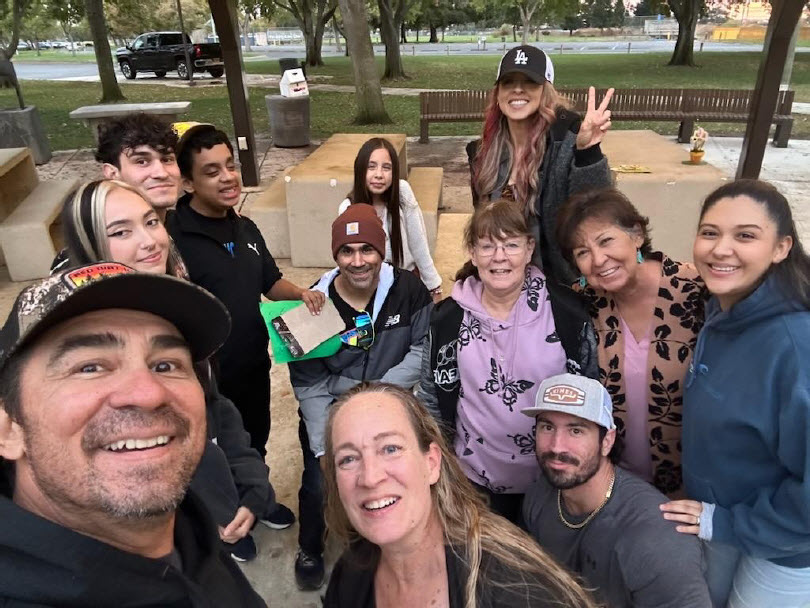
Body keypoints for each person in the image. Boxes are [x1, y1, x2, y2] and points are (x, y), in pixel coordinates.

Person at [0, 262, 266, 607]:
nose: (148, 393)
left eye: (165, 365)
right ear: (8, 428)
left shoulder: (190, 531)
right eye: (89, 367)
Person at [60, 179, 294, 561]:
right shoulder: (68, 348)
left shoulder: (175, 311)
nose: (150, 241)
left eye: (151, 222)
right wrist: (202, 519)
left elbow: (212, 406)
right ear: (89, 245)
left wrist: (250, 485)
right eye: (121, 232)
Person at [661, 179, 810, 607]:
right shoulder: (723, 311)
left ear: (781, 247)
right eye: (710, 233)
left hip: (783, 547)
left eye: (745, 236)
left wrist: (728, 523)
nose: (721, 249)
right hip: (724, 524)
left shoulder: (795, 345)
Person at [323, 382, 597, 608]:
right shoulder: (350, 574)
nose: (370, 478)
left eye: (390, 448)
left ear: (431, 463)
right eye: (348, 459)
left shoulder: (518, 589)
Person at [418, 199, 596, 523]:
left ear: (529, 249)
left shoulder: (567, 314)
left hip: (554, 480)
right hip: (474, 483)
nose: (499, 257)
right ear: (472, 253)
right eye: (487, 246)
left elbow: (592, 391)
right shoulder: (446, 320)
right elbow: (431, 399)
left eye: (511, 245)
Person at [289, 204, 432, 590]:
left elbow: (423, 347)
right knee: (318, 483)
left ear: (381, 251)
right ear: (335, 256)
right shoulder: (312, 305)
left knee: (391, 475)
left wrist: (379, 393)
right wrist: (323, 446)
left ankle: (379, 542)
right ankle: (310, 547)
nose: (357, 261)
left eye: (367, 249)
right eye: (346, 251)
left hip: (390, 401)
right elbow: (309, 383)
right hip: (331, 409)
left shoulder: (408, 290)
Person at [166, 123, 325, 459]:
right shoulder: (171, 239)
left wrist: (300, 293)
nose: (228, 177)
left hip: (253, 368)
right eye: (212, 172)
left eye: (230, 165)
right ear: (188, 183)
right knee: (217, 458)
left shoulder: (246, 228)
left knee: (255, 446)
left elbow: (270, 282)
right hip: (207, 381)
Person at [555, 187, 705, 496]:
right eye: (582, 252)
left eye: (606, 240)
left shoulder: (695, 292)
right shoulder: (582, 304)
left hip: (692, 487)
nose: (598, 259)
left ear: (636, 235)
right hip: (616, 485)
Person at [522, 373, 711, 607]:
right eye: (547, 427)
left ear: (607, 441)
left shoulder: (657, 539)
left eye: (576, 430)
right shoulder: (539, 495)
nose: (556, 446)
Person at [467, 45, 614, 285]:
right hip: (502, 282)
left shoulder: (566, 141)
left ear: (546, 90)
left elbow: (595, 210)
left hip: (559, 284)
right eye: (508, 82)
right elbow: (483, 223)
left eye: (530, 82)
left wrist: (588, 152)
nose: (517, 89)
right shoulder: (483, 153)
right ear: (498, 94)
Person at [50, 112, 185, 275]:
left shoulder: (177, 228)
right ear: (112, 173)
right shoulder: (79, 268)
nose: (161, 173)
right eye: (142, 161)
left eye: (167, 159)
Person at [338, 137, 443, 302]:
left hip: (407, 282)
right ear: (360, 170)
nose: (379, 175)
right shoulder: (347, 208)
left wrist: (434, 286)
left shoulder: (402, 192)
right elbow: (347, 259)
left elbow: (418, 243)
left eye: (386, 168)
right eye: (371, 167)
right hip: (370, 290)